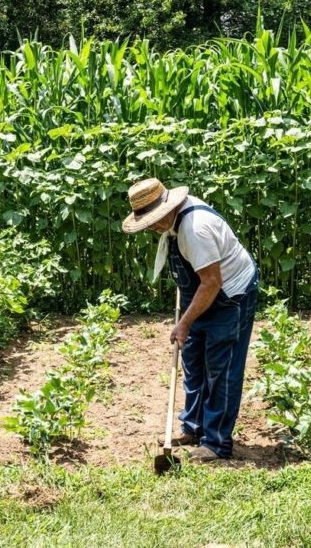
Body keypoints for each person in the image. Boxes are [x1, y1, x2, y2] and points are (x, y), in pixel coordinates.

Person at [122, 178, 259, 462]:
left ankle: (216, 443)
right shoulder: (175, 224)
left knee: (221, 368)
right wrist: (188, 316)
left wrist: (184, 323)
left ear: (167, 209)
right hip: (204, 292)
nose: (151, 227)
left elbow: (211, 281)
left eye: (153, 220)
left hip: (230, 296)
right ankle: (193, 428)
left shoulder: (194, 230)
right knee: (193, 361)